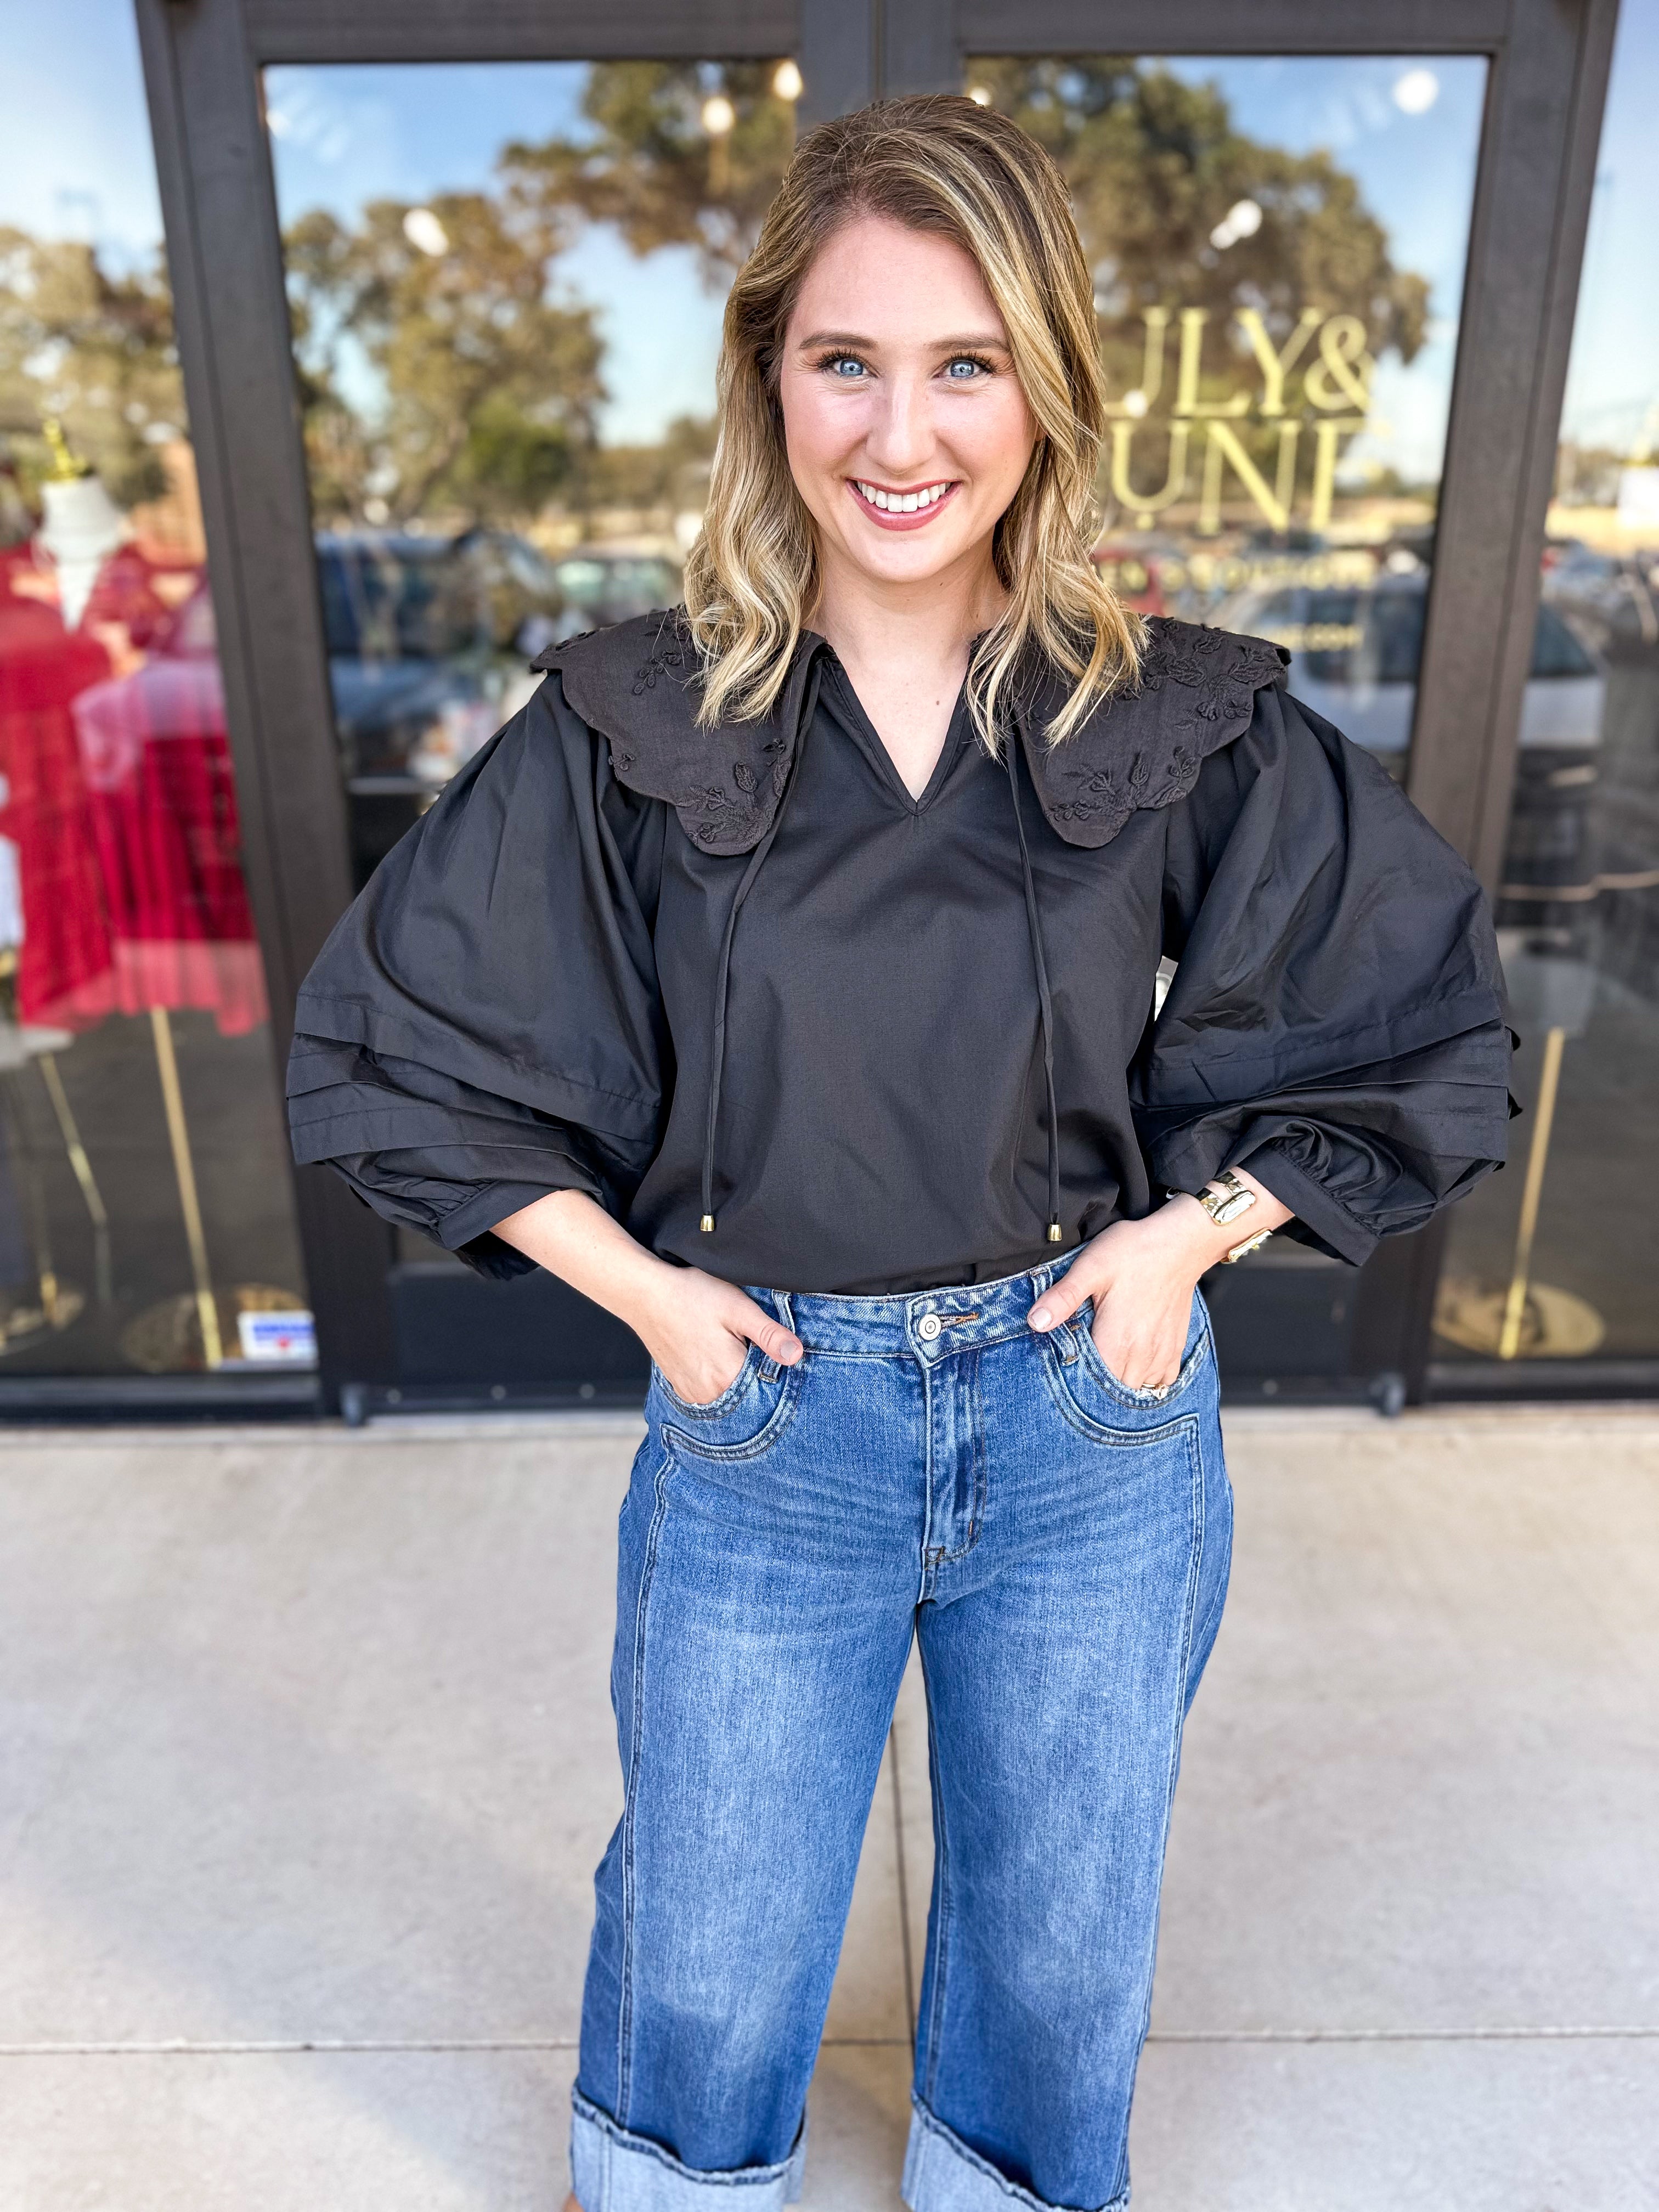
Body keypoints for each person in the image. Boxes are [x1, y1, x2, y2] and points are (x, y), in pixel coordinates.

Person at [287, 94, 1511, 2212]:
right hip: (773, 1422)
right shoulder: (640, 719)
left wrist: (1188, 1241)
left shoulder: (1167, 710)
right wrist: (657, 1304)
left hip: (1086, 1422)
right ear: (772, 375)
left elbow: (1403, 1006)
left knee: (1056, 1950)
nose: (902, 431)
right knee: (711, 1949)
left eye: (965, 363)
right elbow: (417, 1039)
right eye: (848, 357)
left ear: (1043, 389)